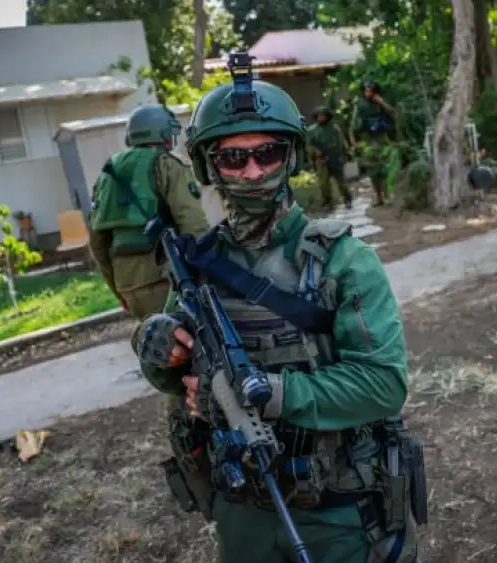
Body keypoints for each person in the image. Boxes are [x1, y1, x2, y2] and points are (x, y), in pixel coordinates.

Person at [131, 65, 424, 563]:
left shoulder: (344, 261)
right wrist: (155, 346)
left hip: (338, 512)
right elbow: (171, 374)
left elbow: (383, 384)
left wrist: (270, 393)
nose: (252, 172)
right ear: (207, 166)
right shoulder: (198, 265)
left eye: (266, 153)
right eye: (233, 158)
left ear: (290, 156)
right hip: (241, 507)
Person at [87, 103, 210, 320]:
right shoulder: (167, 164)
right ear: (163, 134)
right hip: (169, 279)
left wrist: (118, 290)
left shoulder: (108, 173)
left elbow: (98, 243)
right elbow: (192, 223)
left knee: (160, 348)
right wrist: (213, 273)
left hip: (129, 286)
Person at [350, 80, 398, 206]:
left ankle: (387, 196)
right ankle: (378, 197)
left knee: (385, 169)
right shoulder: (360, 104)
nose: (368, 94)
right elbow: (354, 123)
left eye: (371, 91)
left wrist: (382, 103)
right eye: (366, 91)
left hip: (382, 138)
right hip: (367, 140)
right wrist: (353, 140)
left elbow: (393, 114)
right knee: (373, 171)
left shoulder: (381, 101)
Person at [307, 104, 353, 210]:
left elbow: (341, 143)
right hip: (321, 159)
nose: (321, 118)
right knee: (324, 184)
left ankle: (347, 199)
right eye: (319, 115)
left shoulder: (334, 128)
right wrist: (315, 152)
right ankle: (328, 203)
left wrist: (345, 155)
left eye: (323, 115)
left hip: (335, 157)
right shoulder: (312, 130)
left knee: (341, 182)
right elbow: (309, 145)